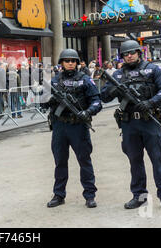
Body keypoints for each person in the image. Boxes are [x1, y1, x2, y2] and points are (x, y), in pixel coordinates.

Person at [100, 40, 161, 211]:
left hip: (149, 121)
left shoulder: (153, 69)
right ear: (122, 57)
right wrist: (114, 90)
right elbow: (104, 97)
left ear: (139, 53)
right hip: (129, 123)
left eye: (133, 52)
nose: (130, 55)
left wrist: (150, 103)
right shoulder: (118, 75)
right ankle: (139, 196)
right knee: (135, 161)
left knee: (157, 160)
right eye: (126, 54)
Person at [43, 49, 102, 209]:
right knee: (60, 162)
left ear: (77, 63)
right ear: (61, 63)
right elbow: (42, 102)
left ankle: (90, 195)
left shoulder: (85, 80)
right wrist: (49, 99)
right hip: (60, 126)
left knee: (84, 161)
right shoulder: (54, 81)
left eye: (73, 61)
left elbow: (97, 101)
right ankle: (59, 194)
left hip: (78, 126)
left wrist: (87, 112)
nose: (70, 63)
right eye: (67, 60)